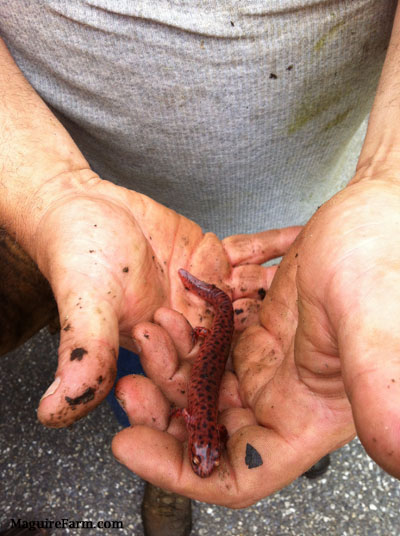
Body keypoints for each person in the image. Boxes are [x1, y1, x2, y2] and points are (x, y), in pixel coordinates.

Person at [1, 0, 399, 528]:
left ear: (203, 430)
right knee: (138, 339)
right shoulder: (199, 412)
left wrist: (386, 175)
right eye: (203, 451)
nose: (205, 454)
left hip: (305, 178)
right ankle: (182, 452)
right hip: (97, 181)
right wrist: (48, 188)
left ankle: (298, 397)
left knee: (308, 328)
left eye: (200, 453)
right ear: (205, 429)